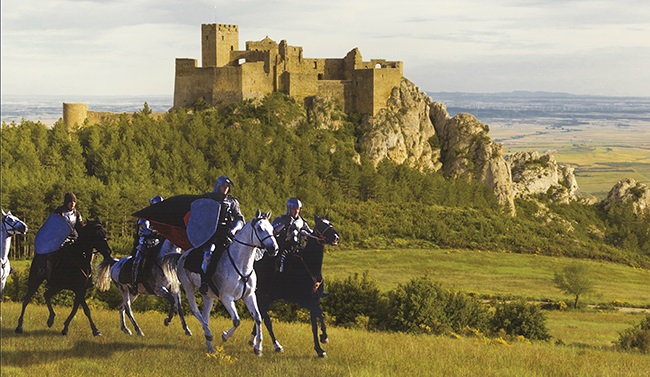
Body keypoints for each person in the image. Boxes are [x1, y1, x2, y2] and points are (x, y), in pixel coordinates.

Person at [199, 175, 245, 294]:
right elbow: (201, 216)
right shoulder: (208, 199)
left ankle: (244, 281)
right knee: (209, 253)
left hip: (227, 234)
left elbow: (239, 218)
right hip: (211, 234)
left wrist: (234, 229)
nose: (226, 188)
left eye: (227, 187)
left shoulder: (232, 201)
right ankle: (204, 281)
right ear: (218, 186)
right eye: (224, 186)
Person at [130, 195, 164, 295]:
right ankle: (134, 284)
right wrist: (156, 232)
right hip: (144, 243)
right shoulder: (144, 217)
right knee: (137, 261)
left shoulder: (161, 218)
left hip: (157, 243)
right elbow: (144, 231)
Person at [273, 197, 312, 272]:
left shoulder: (302, 222)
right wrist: (284, 224)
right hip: (282, 247)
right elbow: (273, 232)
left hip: (296, 247)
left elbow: (310, 232)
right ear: (289, 209)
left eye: (298, 209)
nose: (297, 211)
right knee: (280, 262)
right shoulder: (280, 219)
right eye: (294, 209)